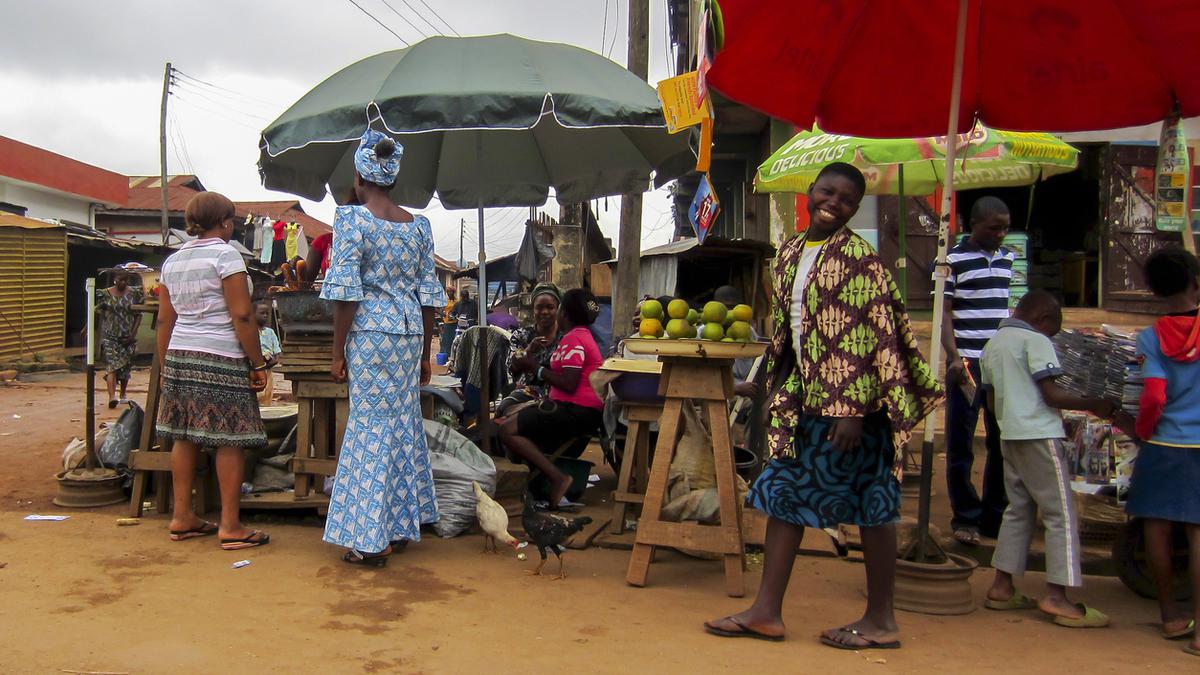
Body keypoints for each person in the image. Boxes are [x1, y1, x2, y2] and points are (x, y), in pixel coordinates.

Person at [704, 163, 942, 649]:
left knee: (874, 507)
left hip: (857, 411)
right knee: (783, 493)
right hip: (808, 399)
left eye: (848, 199)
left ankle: (881, 621)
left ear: (855, 208)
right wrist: (775, 387)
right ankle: (767, 612)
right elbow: (799, 330)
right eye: (828, 192)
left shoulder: (862, 258)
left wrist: (852, 408)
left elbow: (870, 331)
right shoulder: (790, 251)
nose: (834, 202)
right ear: (810, 192)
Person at [321, 129, 447, 566]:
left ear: (359, 176)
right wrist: (427, 351)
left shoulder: (352, 220)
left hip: (371, 335)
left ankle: (372, 539)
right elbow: (429, 293)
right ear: (392, 178)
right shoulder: (419, 227)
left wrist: (337, 352)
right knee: (401, 423)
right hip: (409, 335)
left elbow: (347, 293)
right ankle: (400, 522)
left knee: (370, 427)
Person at [980, 291, 1127, 628]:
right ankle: (1057, 596)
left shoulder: (994, 344)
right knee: (1061, 513)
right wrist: (1093, 402)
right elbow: (1050, 393)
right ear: (1044, 320)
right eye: (1054, 330)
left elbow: (989, 401)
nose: (1053, 336)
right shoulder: (1036, 341)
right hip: (1039, 434)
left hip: (1009, 433)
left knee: (1018, 510)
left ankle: (1002, 586)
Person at [155, 191, 270, 551]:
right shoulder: (225, 254)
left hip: (179, 355)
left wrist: (165, 367)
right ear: (224, 222)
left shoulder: (172, 262)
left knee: (184, 434)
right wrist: (257, 362)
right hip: (220, 355)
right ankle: (231, 526)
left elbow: (164, 320)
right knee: (230, 438)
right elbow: (242, 314)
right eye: (231, 220)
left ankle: (182, 517)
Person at [1127, 248, 1200, 653]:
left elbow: (1153, 396)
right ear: (1196, 281)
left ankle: (1171, 616)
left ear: (1153, 290)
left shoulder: (1150, 338)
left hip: (1164, 443)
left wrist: (1142, 431)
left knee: (1156, 525)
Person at [941, 197, 1015, 546]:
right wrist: (953, 356)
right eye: (994, 228)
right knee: (961, 444)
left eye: (1005, 227)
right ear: (974, 225)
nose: (1001, 234)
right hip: (966, 365)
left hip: (1000, 365)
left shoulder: (1007, 258)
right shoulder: (951, 261)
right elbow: (944, 312)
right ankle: (965, 516)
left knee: (1001, 442)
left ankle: (993, 516)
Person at [500, 288, 604, 508]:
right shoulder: (579, 336)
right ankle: (538, 486)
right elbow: (516, 368)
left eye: (552, 308)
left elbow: (568, 383)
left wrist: (535, 368)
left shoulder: (573, 340)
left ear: (563, 313)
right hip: (573, 408)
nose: (547, 313)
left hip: (576, 411)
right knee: (510, 418)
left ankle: (557, 478)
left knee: (507, 430)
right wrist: (529, 357)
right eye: (540, 307)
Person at [497, 282, 563, 417]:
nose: (544, 312)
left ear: (558, 309)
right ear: (533, 309)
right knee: (503, 408)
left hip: (559, 393)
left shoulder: (566, 338)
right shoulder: (521, 335)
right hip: (528, 393)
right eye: (539, 307)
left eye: (550, 307)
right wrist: (528, 350)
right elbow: (512, 367)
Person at [97, 270, 142, 408]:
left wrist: (132, 335)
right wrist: (89, 326)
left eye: (125, 280)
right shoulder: (104, 294)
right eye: (120, 280)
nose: (122, 283)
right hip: (110, 335)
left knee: (125, 366)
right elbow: (98, 310)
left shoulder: (134, 293)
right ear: (114, 279)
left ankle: (123, 394)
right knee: (112, 365)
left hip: (127, 335)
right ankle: (112, 397)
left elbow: (138, 315)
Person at [713, 284, 760, 399]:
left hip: (748, 391)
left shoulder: (748, 332)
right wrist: (734, 388)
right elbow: (700, 378)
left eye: (733, 307)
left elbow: (758, 363)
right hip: (718, 392)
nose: (730, 312)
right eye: (726, 307)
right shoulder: (703, 333)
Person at [255, 302, 281, 406]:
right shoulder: (251, 331)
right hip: (255, 367)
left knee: (268, 391)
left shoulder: (270, 332)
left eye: (267, 313)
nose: (265, 315)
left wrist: (274, 360)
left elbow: (277, 350)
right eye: (262, 313)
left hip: (268, 366)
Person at [440, 287, 457, 358]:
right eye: (447, 292)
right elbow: (441, 310)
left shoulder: (456, 301)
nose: (448, 293)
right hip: (447, 322)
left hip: (455, 322)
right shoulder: (445, 301)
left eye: (450, 292)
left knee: (453, 339)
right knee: (446, 340)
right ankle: (445, 355)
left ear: (453, 292)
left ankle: (452, 354)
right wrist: (442, 314)